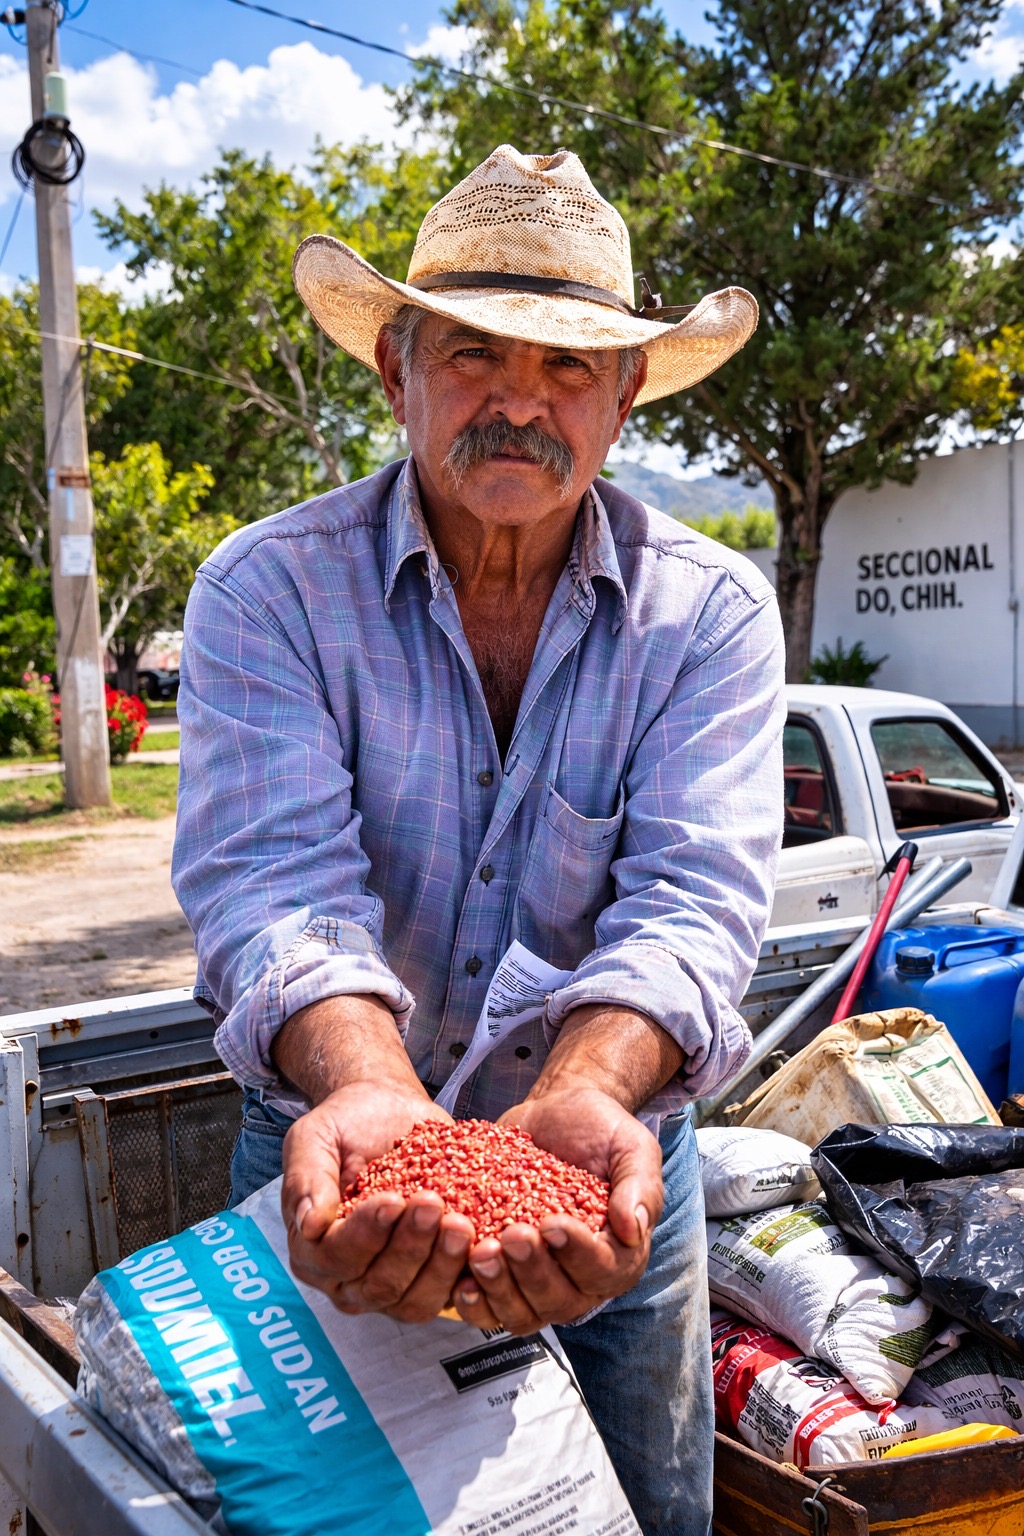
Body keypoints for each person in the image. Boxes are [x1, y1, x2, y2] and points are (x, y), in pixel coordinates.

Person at [172, 144, 785, 1536]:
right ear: (396, 371)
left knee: (644, 1511)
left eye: (569, 365)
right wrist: (373, 1099)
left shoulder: (710, 613)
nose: (520, 401)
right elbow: (273, 887)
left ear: (626, 395)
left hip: (609, 1160)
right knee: (332, 1518)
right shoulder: (267, 592)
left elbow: (692, 902)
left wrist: (585, 1100)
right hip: (334, 1149)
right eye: (473, 354)